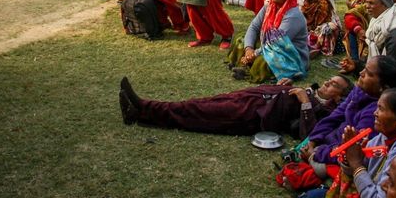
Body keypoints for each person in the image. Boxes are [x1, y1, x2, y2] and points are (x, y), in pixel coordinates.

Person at [300, 89, 396, 198]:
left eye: (381, 109)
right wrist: (349, 156)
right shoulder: (384, 136)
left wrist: (357, 165)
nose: (375, 113)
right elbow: (357, 171)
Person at [118, 74, 352, 137]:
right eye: (330, 79)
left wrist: (304, 102)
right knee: (197, 104)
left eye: (334, 85)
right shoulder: (311, 91)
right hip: (253, 96)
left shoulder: (325, 111)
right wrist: (286, 86)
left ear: (338, 98)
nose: (328, 82)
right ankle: (140, 111)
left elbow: (308, 134)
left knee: (197, 113)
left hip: (251, 114)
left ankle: (143, 107)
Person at [304, 56, 396, 180]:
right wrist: (313, 139)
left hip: (342, 154)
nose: (361, 73)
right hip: (333, 141)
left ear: (383, 87)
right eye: (364, 69)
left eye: (368, 73)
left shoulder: (377, 114)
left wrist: (316, 154)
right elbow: (335, 116)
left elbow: (353, 150)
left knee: (317, 169)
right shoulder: (359, 91)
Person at [228, 0, 310, 83]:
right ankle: (244, 63)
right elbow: (254, 26)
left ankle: (248, 71)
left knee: (265, 59)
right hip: (269, 45)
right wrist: (249, 49)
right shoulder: (269, 6)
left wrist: (255, 53)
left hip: (289, 54)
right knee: (241, 39)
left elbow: (276, 43)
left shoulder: (293, 15)